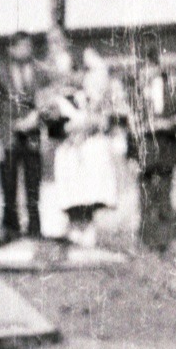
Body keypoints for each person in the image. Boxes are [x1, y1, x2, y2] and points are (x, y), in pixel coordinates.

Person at [52, 47, 119, 247]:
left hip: (90, 151)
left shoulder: (91, 96)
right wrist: (70, 128)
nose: (71, 77)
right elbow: (56, 128)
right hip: (70, 153)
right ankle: (74, 232)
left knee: (89, 194)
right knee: (73, 195)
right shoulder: (59, 99)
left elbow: (105, 121)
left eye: (75, 72)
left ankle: (88, 233)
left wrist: (92, 123)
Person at [128, 35, 176, 251]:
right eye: (141, 68)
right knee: (144, 198)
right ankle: (145, 243)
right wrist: (131, 155)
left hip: (165, 148)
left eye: (148, 66)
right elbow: (130, 126)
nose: (144, 72)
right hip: (144, 151)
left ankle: (163, 244)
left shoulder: (170, 86)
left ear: (155, 65)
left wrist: (167, 124)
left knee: (163, 196)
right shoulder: (135, 91)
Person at [0, 31, 43, 240]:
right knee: (9, 186)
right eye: (20, 46)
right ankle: (10, 231)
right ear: (10, 49)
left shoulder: (39, 71)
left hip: (32, 136)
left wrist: (37, 119)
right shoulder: (0, 73)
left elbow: (49, 99)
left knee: (33, 187)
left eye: (28, 46)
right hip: (8, 138)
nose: (25, 50)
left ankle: (35, 231)